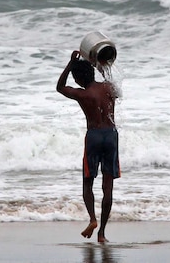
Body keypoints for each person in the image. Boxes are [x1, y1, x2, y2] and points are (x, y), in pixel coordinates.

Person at [56, 50, 120, 243]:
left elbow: (60, 87)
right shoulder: (109, 88)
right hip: (111, 135)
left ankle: (92, 219)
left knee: (87, 182)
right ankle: (102, 233)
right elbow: (113, 80)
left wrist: (70, 64)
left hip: (93, 136)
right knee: (107, 186)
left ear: (77, 78)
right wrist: (99, 64)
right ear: (93, 72)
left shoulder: (82, 94)